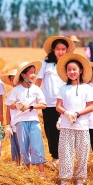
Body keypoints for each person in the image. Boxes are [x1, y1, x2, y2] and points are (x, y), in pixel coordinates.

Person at [56, 53, 93, 185]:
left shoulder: (87, 88)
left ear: (81, 71)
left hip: (82, 126)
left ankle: (80, 178)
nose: (72, 72)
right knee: (65, 152)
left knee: (83, 153)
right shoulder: (63, 88)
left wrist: (77, 113)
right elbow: (58, 106)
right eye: (69, 70)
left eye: (74, 69)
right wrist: (66, 113)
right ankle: (65, 179)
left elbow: (90, 106)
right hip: (67, 125)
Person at [35, 36, 75, 168]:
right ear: (53, 50)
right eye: (58, 49)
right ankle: (55, 157)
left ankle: (67, 158)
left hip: (66, 103)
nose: (61, 52)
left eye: (63, 49)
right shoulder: (45, 64)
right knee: (51, 130)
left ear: (67, 50)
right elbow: (38, 81)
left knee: (66, 130)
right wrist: (34, 96)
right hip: (49, 103)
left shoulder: (69, 64)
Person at [5, 61, 47, 179]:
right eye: (31, 73)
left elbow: (43, 104)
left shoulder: (36, 89)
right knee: (24, 146)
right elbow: (10, 105)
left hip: (34, 120)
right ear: (23, 75)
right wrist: (17, 106)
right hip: (20, 122)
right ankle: (28, 172)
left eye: (34, 73)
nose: (33, 75)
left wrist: (30, 107)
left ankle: (42, 173)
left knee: (37, 144)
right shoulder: (16, 90)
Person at [0, 69, 21, 165]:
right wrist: (8, 124)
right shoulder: (10, 95)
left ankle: (25, 166)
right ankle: (17, 164)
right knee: (14, 147)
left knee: (23, 147)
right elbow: (7, 111)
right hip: (13, 126)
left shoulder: (24, 92)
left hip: (22, 124)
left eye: (15, 79)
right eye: (11, 80)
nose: (14, 82)